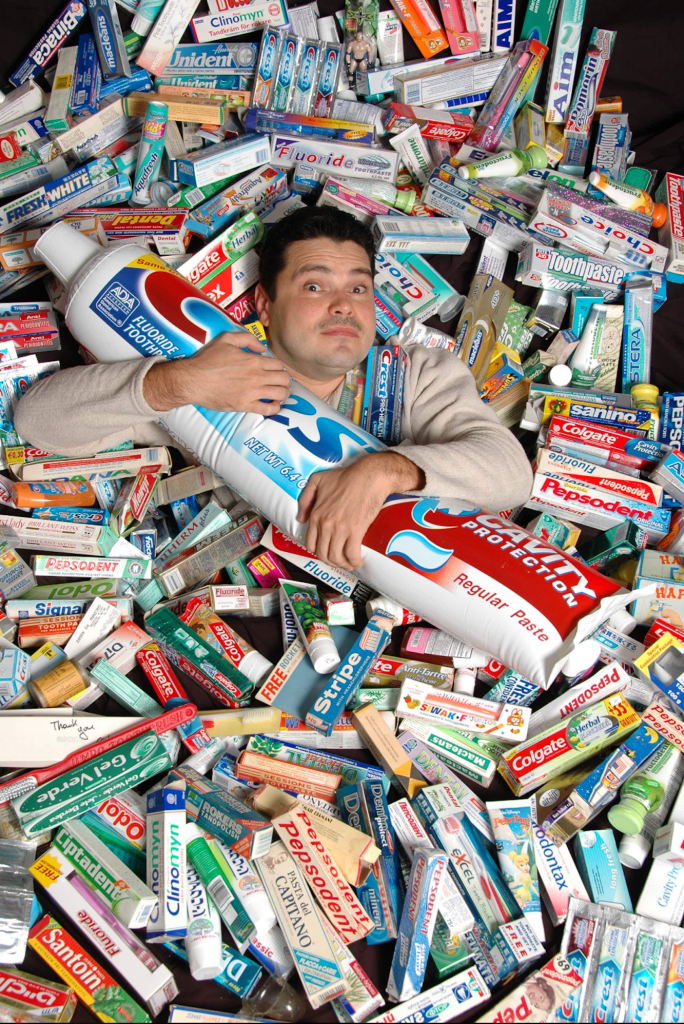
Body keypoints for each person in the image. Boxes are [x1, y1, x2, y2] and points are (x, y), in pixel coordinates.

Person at [15, 207, 533, 572]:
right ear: (264, 305)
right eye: (314, 285)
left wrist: (382, 470)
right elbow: (37, 423)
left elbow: (511, 475)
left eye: (359, 287)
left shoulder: (416, 374)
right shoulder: (207, 373)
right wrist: (175, 382)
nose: (343, 304)